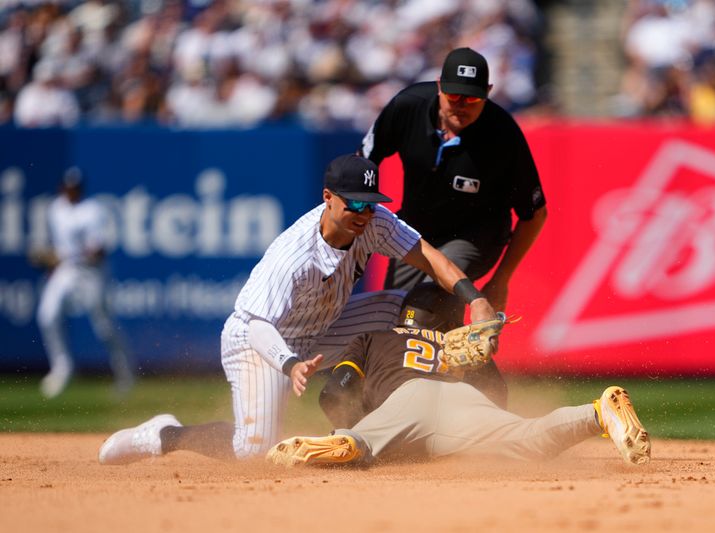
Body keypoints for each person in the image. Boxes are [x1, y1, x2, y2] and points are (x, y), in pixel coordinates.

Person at [97, 154, 497, 464]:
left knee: (407, 311)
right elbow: (256, 326)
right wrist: (290, 365)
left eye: (371, 203)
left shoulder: (374, 222)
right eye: (354, 203)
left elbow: (429, 257)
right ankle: (165, 435)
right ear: (328, 198)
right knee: (252, 449)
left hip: (322, 330)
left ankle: (402, 415)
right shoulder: (294, 255)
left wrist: (475, 299)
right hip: (260, 343)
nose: (363, 213)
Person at [266, 283, 651, 467]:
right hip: (464, 400)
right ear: (453, 324)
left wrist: (362, 423)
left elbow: (334, 393)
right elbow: (497, 395)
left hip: (405, 400)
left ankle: (343, 443)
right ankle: (598, 413)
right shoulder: (463, 345)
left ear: (403, 316)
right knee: (529, 439)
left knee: (362, 445)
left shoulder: (372, 337)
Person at [359, 47, 548, 407]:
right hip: (413, 235)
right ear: (438, 87)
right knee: (394, 319)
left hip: (475, 236)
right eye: (454, 96)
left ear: (488, 93)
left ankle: (480, 402)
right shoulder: (407, 107)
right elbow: (364, 160)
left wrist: (501, 279)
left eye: (473, 99)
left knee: (431, 297)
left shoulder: (502, 135)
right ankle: (380, 408)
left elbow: (535, 214)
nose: (461, 105)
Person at [34, 167, 135, 399]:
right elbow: (57, 247)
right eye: (68, 187)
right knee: (47, 314)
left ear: (81, 189)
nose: (72, 191)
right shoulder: (55, 209)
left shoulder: (91, 211)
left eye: (75, 188)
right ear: (62, 188)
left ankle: (125, 373)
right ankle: (62, 366)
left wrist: (69, 255)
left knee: (104, 327)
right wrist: (51, 260)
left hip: (92, 273)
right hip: (67, 271)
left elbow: (98, 251)